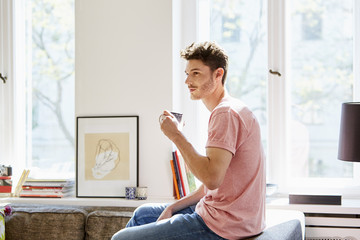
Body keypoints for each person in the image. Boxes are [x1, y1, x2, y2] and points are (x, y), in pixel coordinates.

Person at [111, 41, 266, 240]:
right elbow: (211, 187)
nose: (188, 81)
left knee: (120, 239)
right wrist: (172, 208)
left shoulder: (225, 114)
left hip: (226, 225)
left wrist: (176, 135)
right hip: (231, 216)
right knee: (143, 214)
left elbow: (211, 178)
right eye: (187, 74)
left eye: (196, 74)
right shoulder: (230, 109)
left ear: (218, 74)